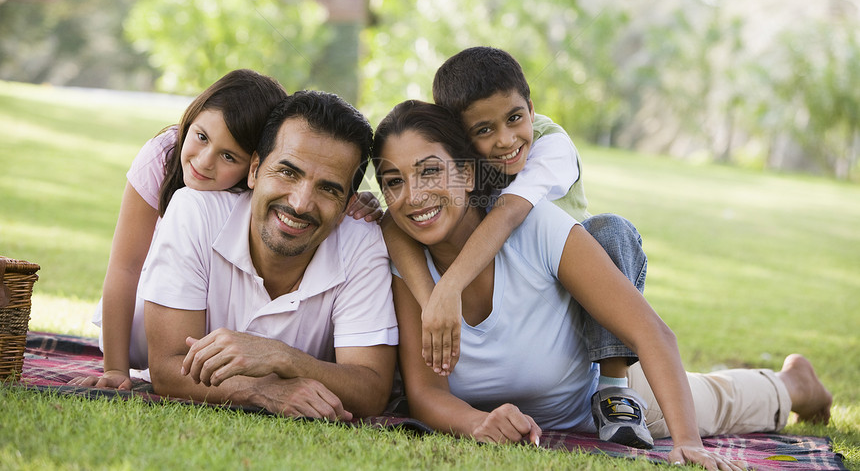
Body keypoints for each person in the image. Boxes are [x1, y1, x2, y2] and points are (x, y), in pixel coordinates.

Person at [373, 101, 832, 469]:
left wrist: (688, 442)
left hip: (601, 400)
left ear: (468, 173)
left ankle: (794, 383)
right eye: (394, 182)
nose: (412, 196)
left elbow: (650, 332)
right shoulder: (406, 264)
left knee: (716, 401)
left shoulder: (537, 228)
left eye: (430, 171)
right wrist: (478, 422)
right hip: (519, 412)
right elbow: (428, 394)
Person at [381, 46, 652, 446]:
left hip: (581, 302)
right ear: (462, 135)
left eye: (514, 118)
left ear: (530, 107)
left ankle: (614, 386)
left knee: (611, 230)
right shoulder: (464, 164)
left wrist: (447, 290)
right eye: (484, 129)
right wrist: (431, 298)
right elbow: (393, 220)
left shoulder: (550, 147)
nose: (506, 140)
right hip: (530, 309)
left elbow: (507, 215)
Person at [74, 70, 381, 391]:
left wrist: (360, 203)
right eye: (202, 137)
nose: (205, 162)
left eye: (228, 155)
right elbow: (125, 267)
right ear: (256, 169)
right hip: (147, 315)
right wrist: (116, 368)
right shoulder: (163, 156)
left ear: (250, 162)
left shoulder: (260, 199)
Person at [139, 90, 398, 419]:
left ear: (348, 204)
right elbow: (165, 369)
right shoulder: (195, 211)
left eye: (328, 188)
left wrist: (283, 358)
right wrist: (262, 390)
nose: (300, 203)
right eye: (288, 173)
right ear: (255, 170)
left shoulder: (362, 243)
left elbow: (372, 390)